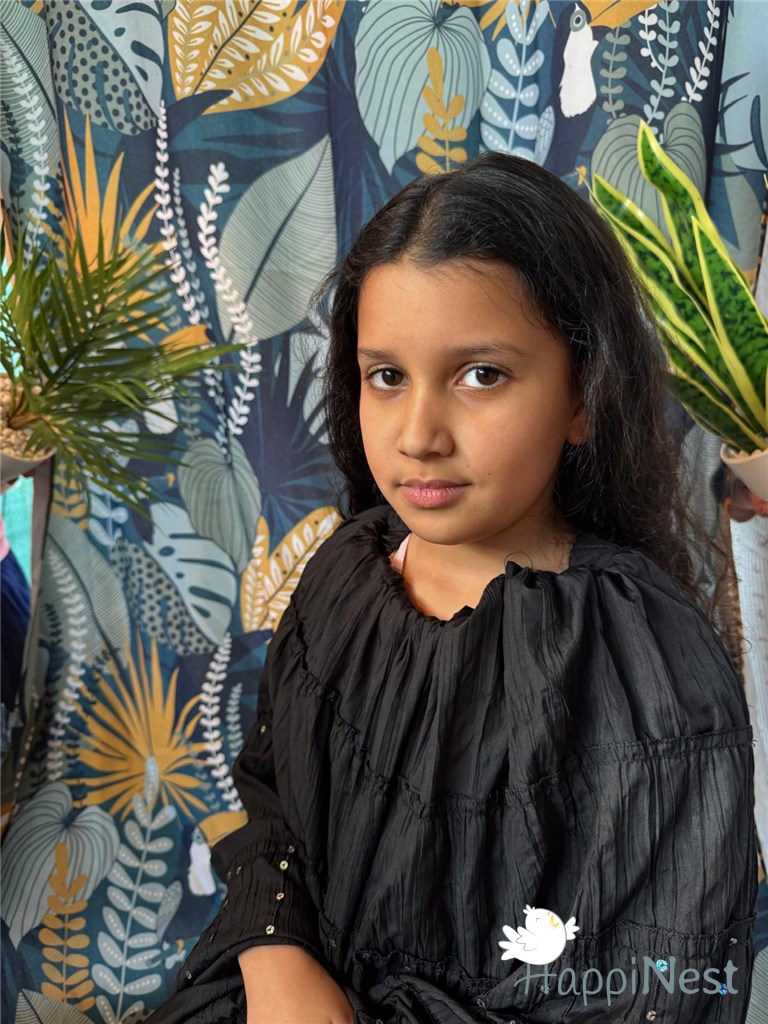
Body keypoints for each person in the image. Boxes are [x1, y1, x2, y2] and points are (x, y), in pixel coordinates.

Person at [148, 154, 757, 1024]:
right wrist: (280, 960)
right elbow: (273, 804)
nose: (419, 435)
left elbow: (640, 989)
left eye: (481, 375)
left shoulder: (644, 665)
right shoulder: (347, 575)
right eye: (386, 377)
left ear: (582, 395)